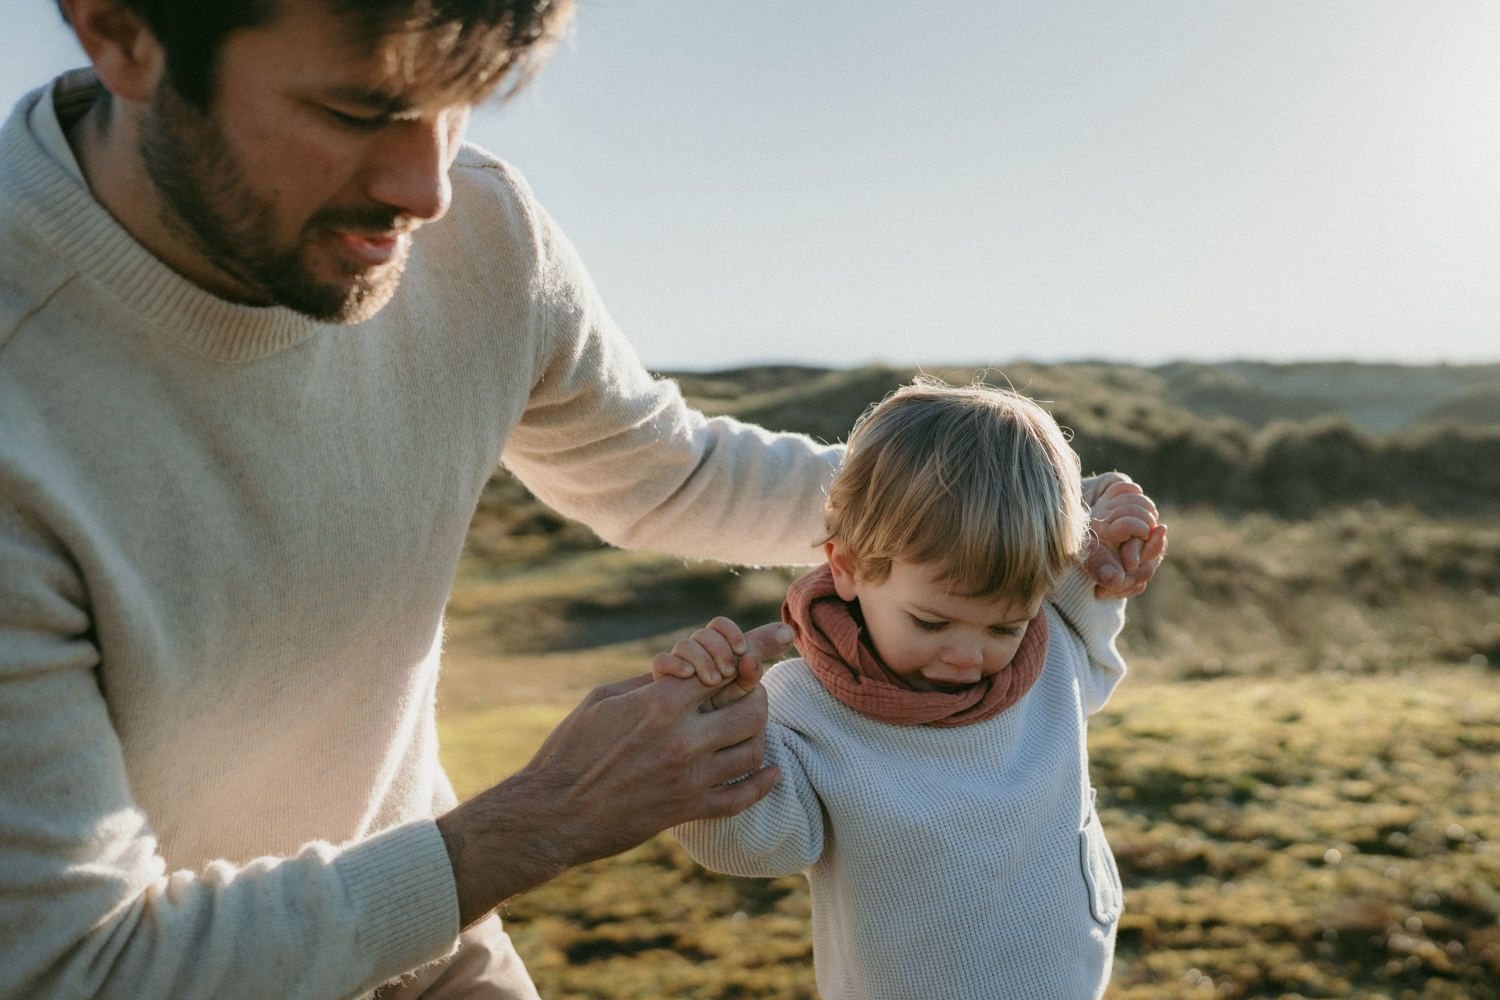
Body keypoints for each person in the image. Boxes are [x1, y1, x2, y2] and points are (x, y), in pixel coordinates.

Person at [0, 0, 1166, 996]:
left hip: (433, 936)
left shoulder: (481, 240)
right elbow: (72, 964)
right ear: (120, 30)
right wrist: (541, 817)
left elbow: (678, 474)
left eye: (459, 103)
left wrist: (989, 527)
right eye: (359, 109)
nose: (427, 188)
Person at [657, 380, 1164, 1000]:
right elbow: (753, 848)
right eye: (931, 622)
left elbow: (1082, 605)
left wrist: (1108, 544)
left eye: (1004, 625)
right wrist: (707, 732)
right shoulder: (804, 708)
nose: (967, 655)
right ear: (846, 567)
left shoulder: (1049, 647)